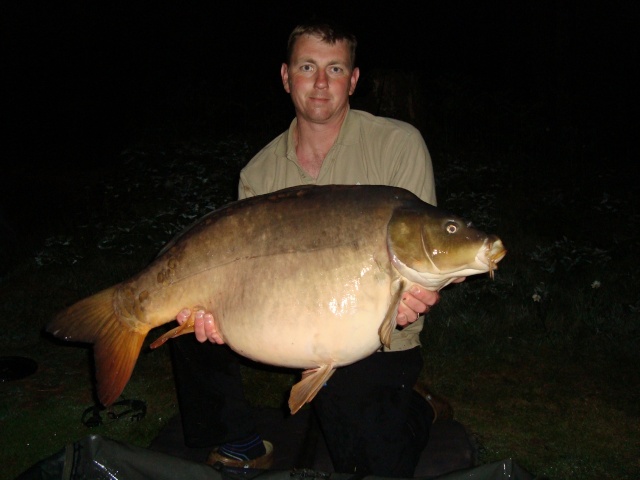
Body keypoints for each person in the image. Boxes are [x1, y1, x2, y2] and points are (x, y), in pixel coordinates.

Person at [170, 22, 456, 477]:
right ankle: (241, 442)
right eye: (308, 67)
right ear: (286, 77)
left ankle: (416, 407)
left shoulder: (399, 145)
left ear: (354, 79)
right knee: (182, 313)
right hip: (287, 323)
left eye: (335, 68)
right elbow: (245, 275)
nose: (321, 83)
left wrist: (415, 297)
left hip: (375, 339)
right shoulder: (259, 173)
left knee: (368, 457)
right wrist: (215, 312)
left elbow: (423, 253)